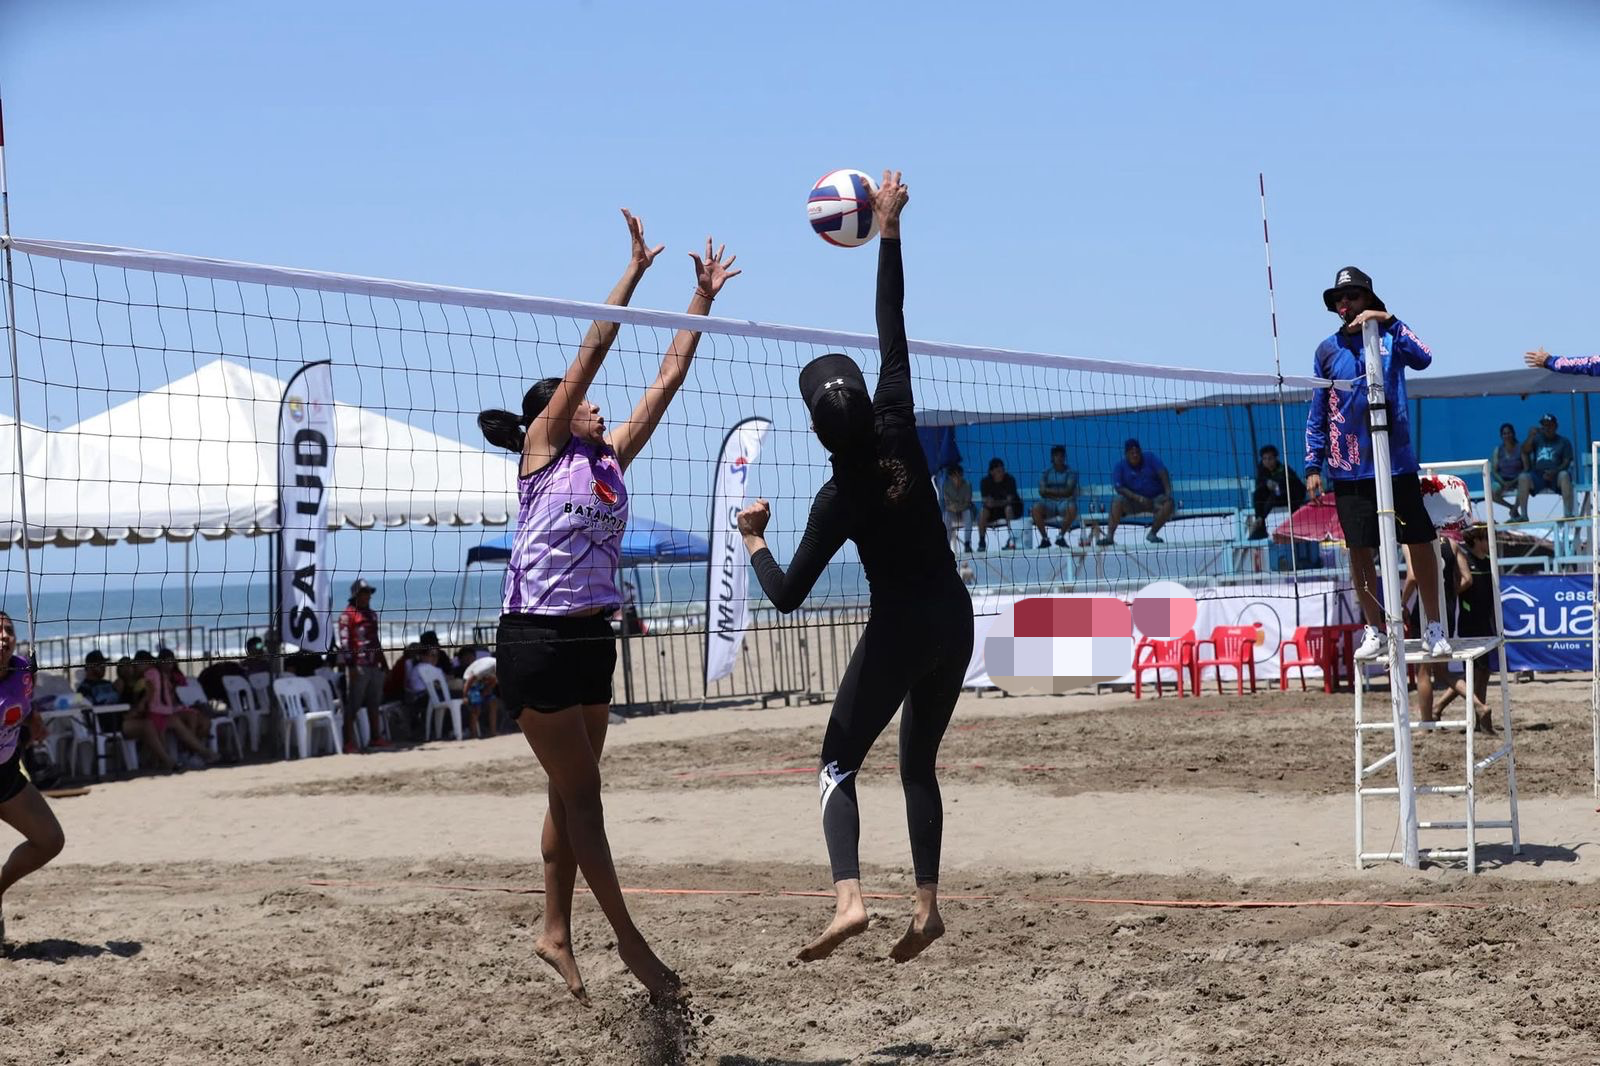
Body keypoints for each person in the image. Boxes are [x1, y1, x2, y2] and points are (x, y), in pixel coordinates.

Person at [477, 208, 737, 1004]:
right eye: (579, 401)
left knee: (569, 793)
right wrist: (632, 272)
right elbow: (593, 349)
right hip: (537, 639)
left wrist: (701, 299)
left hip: (595, 639)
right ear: (554, 415)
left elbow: (667, 378)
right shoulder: (543, 452)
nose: (594, 405)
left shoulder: (609, 458)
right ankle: (631, 943)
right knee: (585, 798)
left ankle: (553, 931)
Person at [736, 171, 971, 966]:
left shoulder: (835, 500)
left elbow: (786, 596)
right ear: (868, 404)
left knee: (837, 764)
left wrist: (754, 540)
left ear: (815, 433)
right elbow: (891, 320)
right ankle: (926, 908)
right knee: (917, 764)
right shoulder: (898, 420)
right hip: (955, 619)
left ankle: (850, 899)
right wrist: (891, 227)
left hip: (901, 628)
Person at [1303, 266, 1449, 659]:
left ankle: (1434, 626)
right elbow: (1318, 410)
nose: (1345, 304)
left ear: (1368, 298)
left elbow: (1424, 357)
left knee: (1420, 540)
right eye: (1339, 299)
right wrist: (1313, 464)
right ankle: (1374, 628)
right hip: (1348, 467)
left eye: (1352, 296)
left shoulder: (1389, 336)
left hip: (1395, 461)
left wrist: (1390, 319)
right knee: (1358, 548)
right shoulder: (1327, 350)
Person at [0, 610, 66, 953]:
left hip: (5, 775)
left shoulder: (24, 670)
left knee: (50, 840)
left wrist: (34, 721)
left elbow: (23, 706)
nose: (4, 636)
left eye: (8, 630)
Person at [1434, 525, 1498, 733]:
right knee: (1473, 674)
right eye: (1487, 538)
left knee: (1484, 672)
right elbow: (1456, 585)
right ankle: (1474, 715)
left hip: (1486, 621)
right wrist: (1452, 596)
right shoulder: (1465, 559)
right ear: (1477, 540)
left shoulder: (1489, 562)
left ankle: (1475, 718)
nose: (1491, 542)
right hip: (1470, 621)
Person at [79, 650, 175, 774]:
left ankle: (156, 760)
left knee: (152, 720)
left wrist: (124, 695)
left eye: (104, 665)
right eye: (101, 665)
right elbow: (88, 709)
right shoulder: (84, 688)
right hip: (104, 724)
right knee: (146, 725)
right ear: (90, 667)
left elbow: (120, 701)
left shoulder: (108, 684)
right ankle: (166, 760)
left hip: (120, 718)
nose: (104, 668)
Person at [142, 649, 218, 767]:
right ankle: (193, 752)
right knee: (190, 719)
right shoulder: (154, 676)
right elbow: (153, 696)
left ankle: (190, 752)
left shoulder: (170, 676)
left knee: (202, 722)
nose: (169, 665)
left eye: (171, 662)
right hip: (163, 711)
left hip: (170, 709)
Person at [338, 579, 389, 751]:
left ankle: (376, 738)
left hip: (374, 664)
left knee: (374, 703)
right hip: (358, 665)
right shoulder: (347, 615)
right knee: (354, 704)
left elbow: (376, 641)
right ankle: (348, 742)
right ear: (356, 595)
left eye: (369, 593)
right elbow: (344, 643)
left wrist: (384, 663)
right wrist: (351, 666)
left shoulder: (372, 615)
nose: (368, 596)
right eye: (364, 593)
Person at [1100, 438, 1175, 545]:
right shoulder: (1120, 466)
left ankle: (1152, 533)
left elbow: (1163, 473)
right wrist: (1138, 498)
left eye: (1137, 452)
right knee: (1116, 501)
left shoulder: (1150, 458)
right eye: (1132, 453)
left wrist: (1168, 493)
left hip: (1155, 500)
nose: (1135, 455)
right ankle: (1109, 537)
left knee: (1169, 503)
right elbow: (1119, 488)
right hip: (1133, 503)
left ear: (1141, 451)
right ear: (1126, 454)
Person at [1515, 413, 1575, 519]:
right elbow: (1525, 450)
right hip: (1538, 475)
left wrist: (1555, 471)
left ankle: (1568, 514)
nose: (1547, 428)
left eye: (1550, 425)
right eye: (1544, 425)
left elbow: (1566, 462)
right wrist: (1530, 436)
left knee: (1565, 475)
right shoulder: (1537, 439)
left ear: (1556, 426)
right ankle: (1524, 515)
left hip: (1556, 475)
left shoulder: (1564, 441)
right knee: (1523, 477)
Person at [1249, 444, 1306, 540]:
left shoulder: (1284, 469)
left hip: (1289, 497)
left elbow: (1297, 487)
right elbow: (1259, 485)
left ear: (1276, 458)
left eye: (1270, 458)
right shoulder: (1262, 471)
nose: (1267, 461)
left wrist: (1277, 484)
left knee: (1275, 495)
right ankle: (1260, 524)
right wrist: (1267, 483)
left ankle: (1261, 520)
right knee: (1258, 494)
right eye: (1264, 459)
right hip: (1271, 499)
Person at [1031, 445, 1080, 549]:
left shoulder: (1071, 473)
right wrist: (1060, 492)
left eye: (1062, 456)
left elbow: (1068, 491)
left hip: (1065, 503)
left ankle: (1061, 536)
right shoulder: (1045, 472)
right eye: (1057, 456)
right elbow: (1041, 492)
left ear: (1064, 457)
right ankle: (1045, 539)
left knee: (1073, 508)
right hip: (1049, 503)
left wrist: (1049, 491)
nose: (1059, 458)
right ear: (1052, 457)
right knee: (1035, 509)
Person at [976, 458, 1022, 551]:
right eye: (998, 471)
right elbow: (986, 501)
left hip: (1012, 509)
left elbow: (1009, 500)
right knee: (983, 512)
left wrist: (994, 502)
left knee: (1008, 509)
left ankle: (1011, 541)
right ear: (991, 472)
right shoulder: (985, 482)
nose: (1001, 473)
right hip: (993, 511)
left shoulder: (1010, 480)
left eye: (1002, 470)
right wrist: (1000, 502)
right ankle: (982, 542)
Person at [1489, 423, 1528, 522]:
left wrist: (1513, 482)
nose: (1507, 435)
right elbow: (1494, 470)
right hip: (1502, 480)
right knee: (1492, 491)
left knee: (1523, 485)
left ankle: (1515, 511)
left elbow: (1526, 468)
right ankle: (1512, 508)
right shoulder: (1498, 450)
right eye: (1504, 433)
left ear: (1513, 434)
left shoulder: (1521, 448)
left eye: (1509, 433)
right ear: (1501, 436)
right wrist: (1503, 482)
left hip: (1517, 480)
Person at [939, 463, 973, 552]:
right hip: (952, 513)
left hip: (963, 513)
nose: (958, 478)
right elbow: (948, 504)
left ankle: (967, 543)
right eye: (955, 476)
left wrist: (956, 507)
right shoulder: (946, 486)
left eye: (960, 475)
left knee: (968, 513)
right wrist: (956, 506)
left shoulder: (967, 485)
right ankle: (946, 545)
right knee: (946, 516)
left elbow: (967, 503)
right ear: (950, 477)